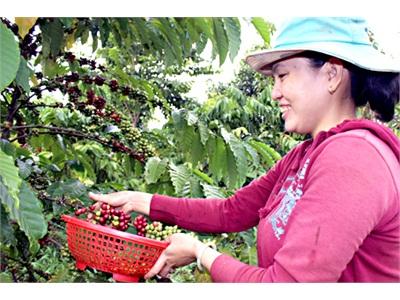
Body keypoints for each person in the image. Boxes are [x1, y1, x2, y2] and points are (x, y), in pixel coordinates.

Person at [89, 17, 400, 282]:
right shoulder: (305, 156)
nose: (275, 93)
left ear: (332, 74)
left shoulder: (354, 159)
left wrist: (201, 254)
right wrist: (139, 200)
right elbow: (231, 212)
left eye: (282, 76)